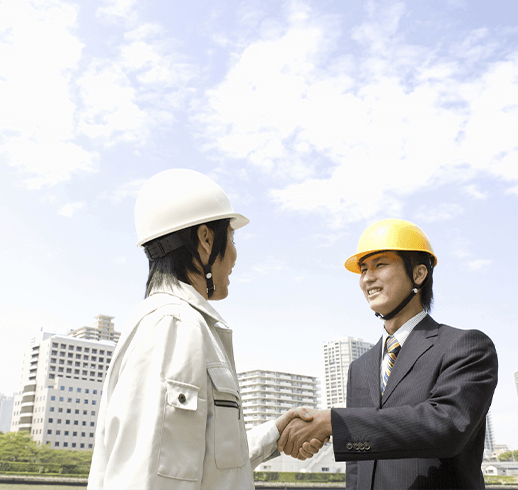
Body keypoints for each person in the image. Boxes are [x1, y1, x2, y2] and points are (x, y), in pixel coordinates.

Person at [88, 169, 323, 490]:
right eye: (232, 238)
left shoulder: (172, 323)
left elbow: (202, 459)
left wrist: (275, 432)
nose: (235, 256)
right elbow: (152, 478)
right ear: (206, 238)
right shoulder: (174, 326)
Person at [277, 218, 499, 489]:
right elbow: (358, 463)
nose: (368, 278)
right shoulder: (360, 366)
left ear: (418, 274)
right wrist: (327, 430)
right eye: (363, 269)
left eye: (380, 264)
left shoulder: (466, 346)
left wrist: (334, 422)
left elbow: (447, 427)